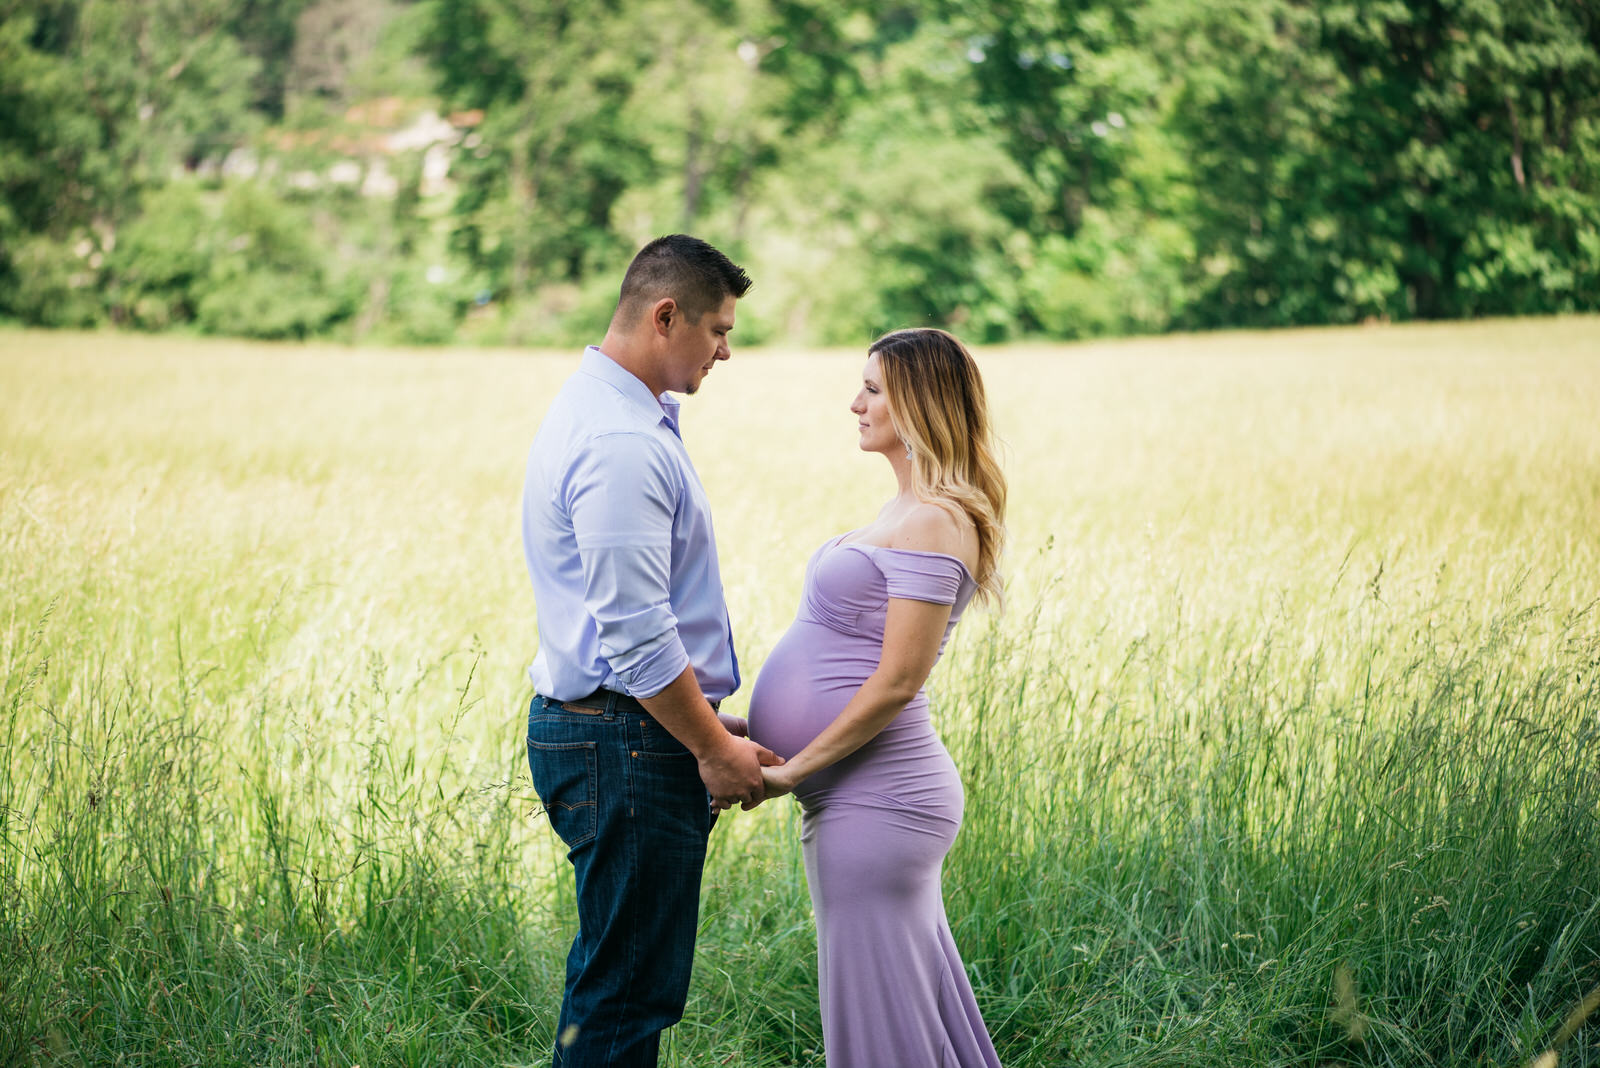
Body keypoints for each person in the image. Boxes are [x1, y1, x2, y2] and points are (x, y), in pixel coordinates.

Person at [521, 234, 782, 1068]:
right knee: (627, 996)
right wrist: (711, 747)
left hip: (626, 729)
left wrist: (702, 717)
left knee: (624, 983)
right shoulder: (621, 442)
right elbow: (635, 635)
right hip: (624, 739)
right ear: (665, 316)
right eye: (718, 330)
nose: (727, 351)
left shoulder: (614, 412)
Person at [748, 327, 1006, 1068]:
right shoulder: (909, 511)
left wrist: (792, 772)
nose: (853, 403)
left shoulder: (933, 520)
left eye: (872, 390)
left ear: (919, 405)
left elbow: (898, 680)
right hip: (855, 799)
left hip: (881, 799)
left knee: (879, 1020)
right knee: (899, 1015)